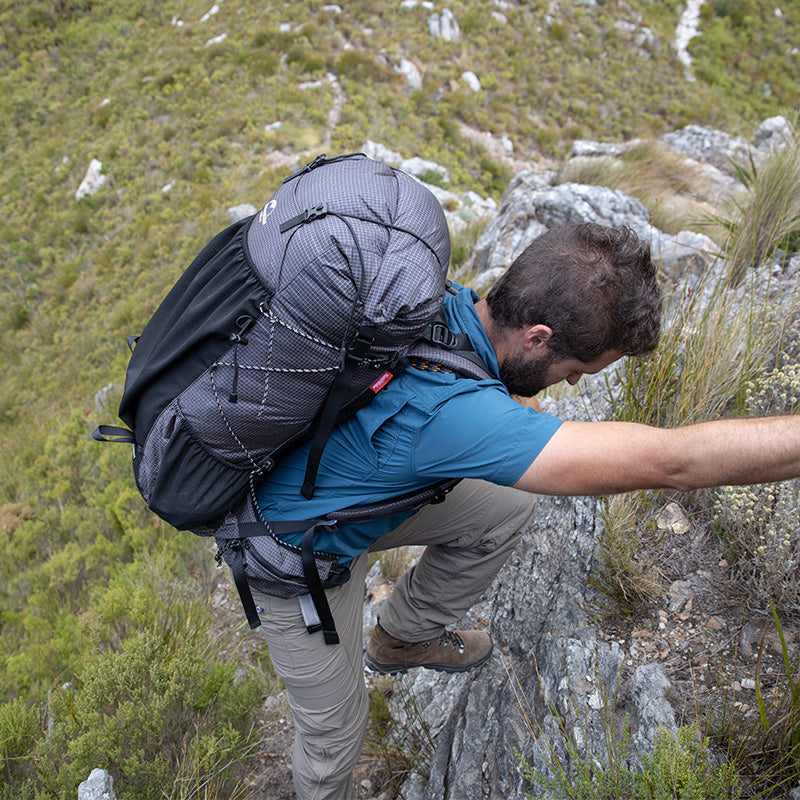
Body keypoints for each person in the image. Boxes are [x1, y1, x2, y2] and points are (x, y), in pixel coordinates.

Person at [250, 222, 800, 799]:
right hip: (296, 553)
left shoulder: (441, 301)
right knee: (335, 735)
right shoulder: (456, 418)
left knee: (505, 504)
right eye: (576, 370)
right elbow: (676, 463)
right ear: (538, 337)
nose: (571, 384)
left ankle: (402, 638)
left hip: (338, 494)